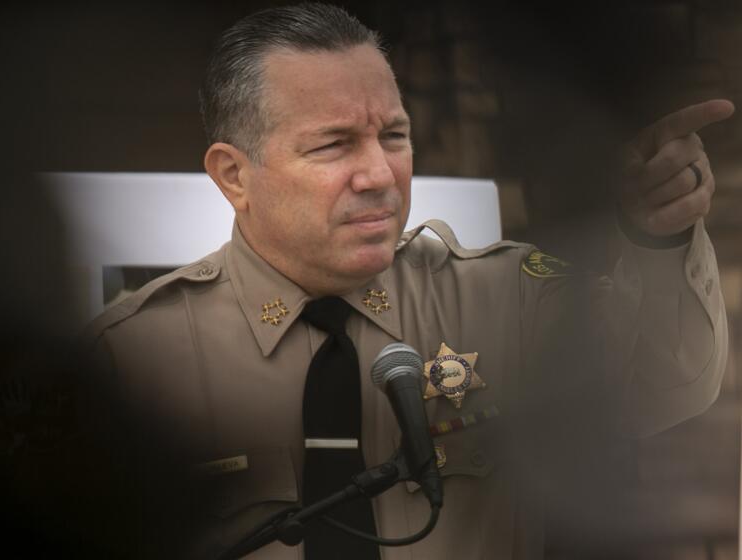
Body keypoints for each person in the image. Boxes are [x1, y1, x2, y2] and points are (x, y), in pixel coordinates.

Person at [84, 3, 732, 558]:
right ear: (233, 175)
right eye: (333, 145)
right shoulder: (133, 356)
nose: (378, 174)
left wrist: (657, 236)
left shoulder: (505, 298)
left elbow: (666, 381)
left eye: (393, 135)